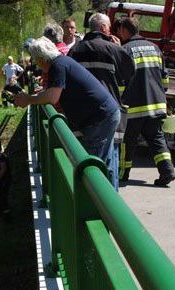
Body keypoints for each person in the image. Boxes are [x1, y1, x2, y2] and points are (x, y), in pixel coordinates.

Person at [14, 37, 120, 185]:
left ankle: (98, 204)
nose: (36, 64)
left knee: (94, 166)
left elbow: (52, 97)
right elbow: (53, 91)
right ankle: (108, 201)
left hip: (99, 118)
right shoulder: (61, 62)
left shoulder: (57, 66)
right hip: (104, 114)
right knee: (104, 161)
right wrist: (35, 95)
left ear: (41, 58)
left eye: (35, 60)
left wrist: (28, 100)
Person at [72, 13, 135, 190]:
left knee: (85, 157)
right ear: (103, 28)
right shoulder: (114, 49)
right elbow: (129, 75)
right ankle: (109, 200)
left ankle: (89, 195)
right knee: (110, 157)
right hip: (109, 112)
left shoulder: (75, 50)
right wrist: (120, 49)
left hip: (81, 113)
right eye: (109, 27)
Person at [115, 17, 175, 186]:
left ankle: (122, 175)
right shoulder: (155, 48)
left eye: (119, 30)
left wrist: (118, 100)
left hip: (133, 109)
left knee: (127, 143)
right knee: (157, 140)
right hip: (156, 105)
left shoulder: (125, 50)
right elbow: (165, 80)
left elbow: (121, 82)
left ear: (124, 31)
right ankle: (167, 172)